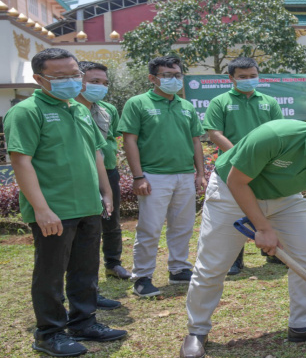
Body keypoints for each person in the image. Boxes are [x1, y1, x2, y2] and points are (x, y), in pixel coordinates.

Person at [179, 111, 306, 358]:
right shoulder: (276, 136)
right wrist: (263, 228)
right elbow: (237, 182)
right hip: (231, 192)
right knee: (213, 265)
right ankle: (197, 331)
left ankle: (301, 326)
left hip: (284, 197)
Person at [5, 48, 127, 357]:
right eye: (60, 77)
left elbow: (97, 153)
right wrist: (42, 209)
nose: (71, 81)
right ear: (38, 79)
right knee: (50, 273)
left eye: (74, 75)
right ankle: (49, 333)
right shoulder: (27, 111)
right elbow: (22, 162)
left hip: (88, 205)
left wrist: (106, 192)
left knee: (85, 269)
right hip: (55, 209)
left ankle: (84, 322)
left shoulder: (80, 109)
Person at [118, 56, 206, 297]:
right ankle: (142, 277)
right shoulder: (138, 103)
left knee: (183, 226)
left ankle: (178, 269)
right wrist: (138, 176)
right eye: (167, 75)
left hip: (185, 176)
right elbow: (130, 140)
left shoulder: (186, 106)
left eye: (177, 75)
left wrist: (200, 173)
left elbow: (196, 141)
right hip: (153, 176)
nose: (174, 79)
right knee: (150, 228)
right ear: (152, 78)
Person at [203, 57, 283, 275]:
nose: (249, 80)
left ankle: (272, 252)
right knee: (235, 212)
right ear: (231, 78)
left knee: (267, 208)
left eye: (253, 76)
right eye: (243, 77)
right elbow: (214, 133)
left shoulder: (269, 102)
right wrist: (241, 157)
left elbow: (278, 132)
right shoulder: (220, 102)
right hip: (232, 168)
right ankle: (234, 259)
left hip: (265, 168)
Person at [74, 61, 130, 311]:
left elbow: (109, 139)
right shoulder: (70, 109)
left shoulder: (106, 109)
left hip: (107, 171)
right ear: (79, 80)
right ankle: (80, 289)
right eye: (94, 82)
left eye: (104, 83)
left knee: (111, 220)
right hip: (79, 176)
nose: (100, 87)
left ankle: (113, 263)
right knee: (83, 232)